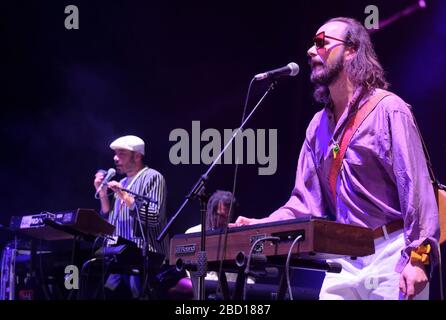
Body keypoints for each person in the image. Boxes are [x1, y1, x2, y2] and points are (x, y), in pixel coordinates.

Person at [233, 17, 440, 300]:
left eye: (321, 43)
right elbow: (304, 203)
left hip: (393, 253)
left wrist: (418, 258)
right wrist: (264, 225)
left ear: (351, 50)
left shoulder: (389, 109)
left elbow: (416, 189)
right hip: (343, 258)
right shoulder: (317, 126)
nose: (310, 51)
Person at [93, 134, 168, 299]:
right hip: (119, 254)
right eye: (115, 154)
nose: (115, 158)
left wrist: (124, 196)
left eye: (121, 153)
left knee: (139, 294)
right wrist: (104, 193)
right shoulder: (124, 182)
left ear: (138, 156)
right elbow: (109, 219)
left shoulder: (153, 177)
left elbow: (154, 217)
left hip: (145, 254)